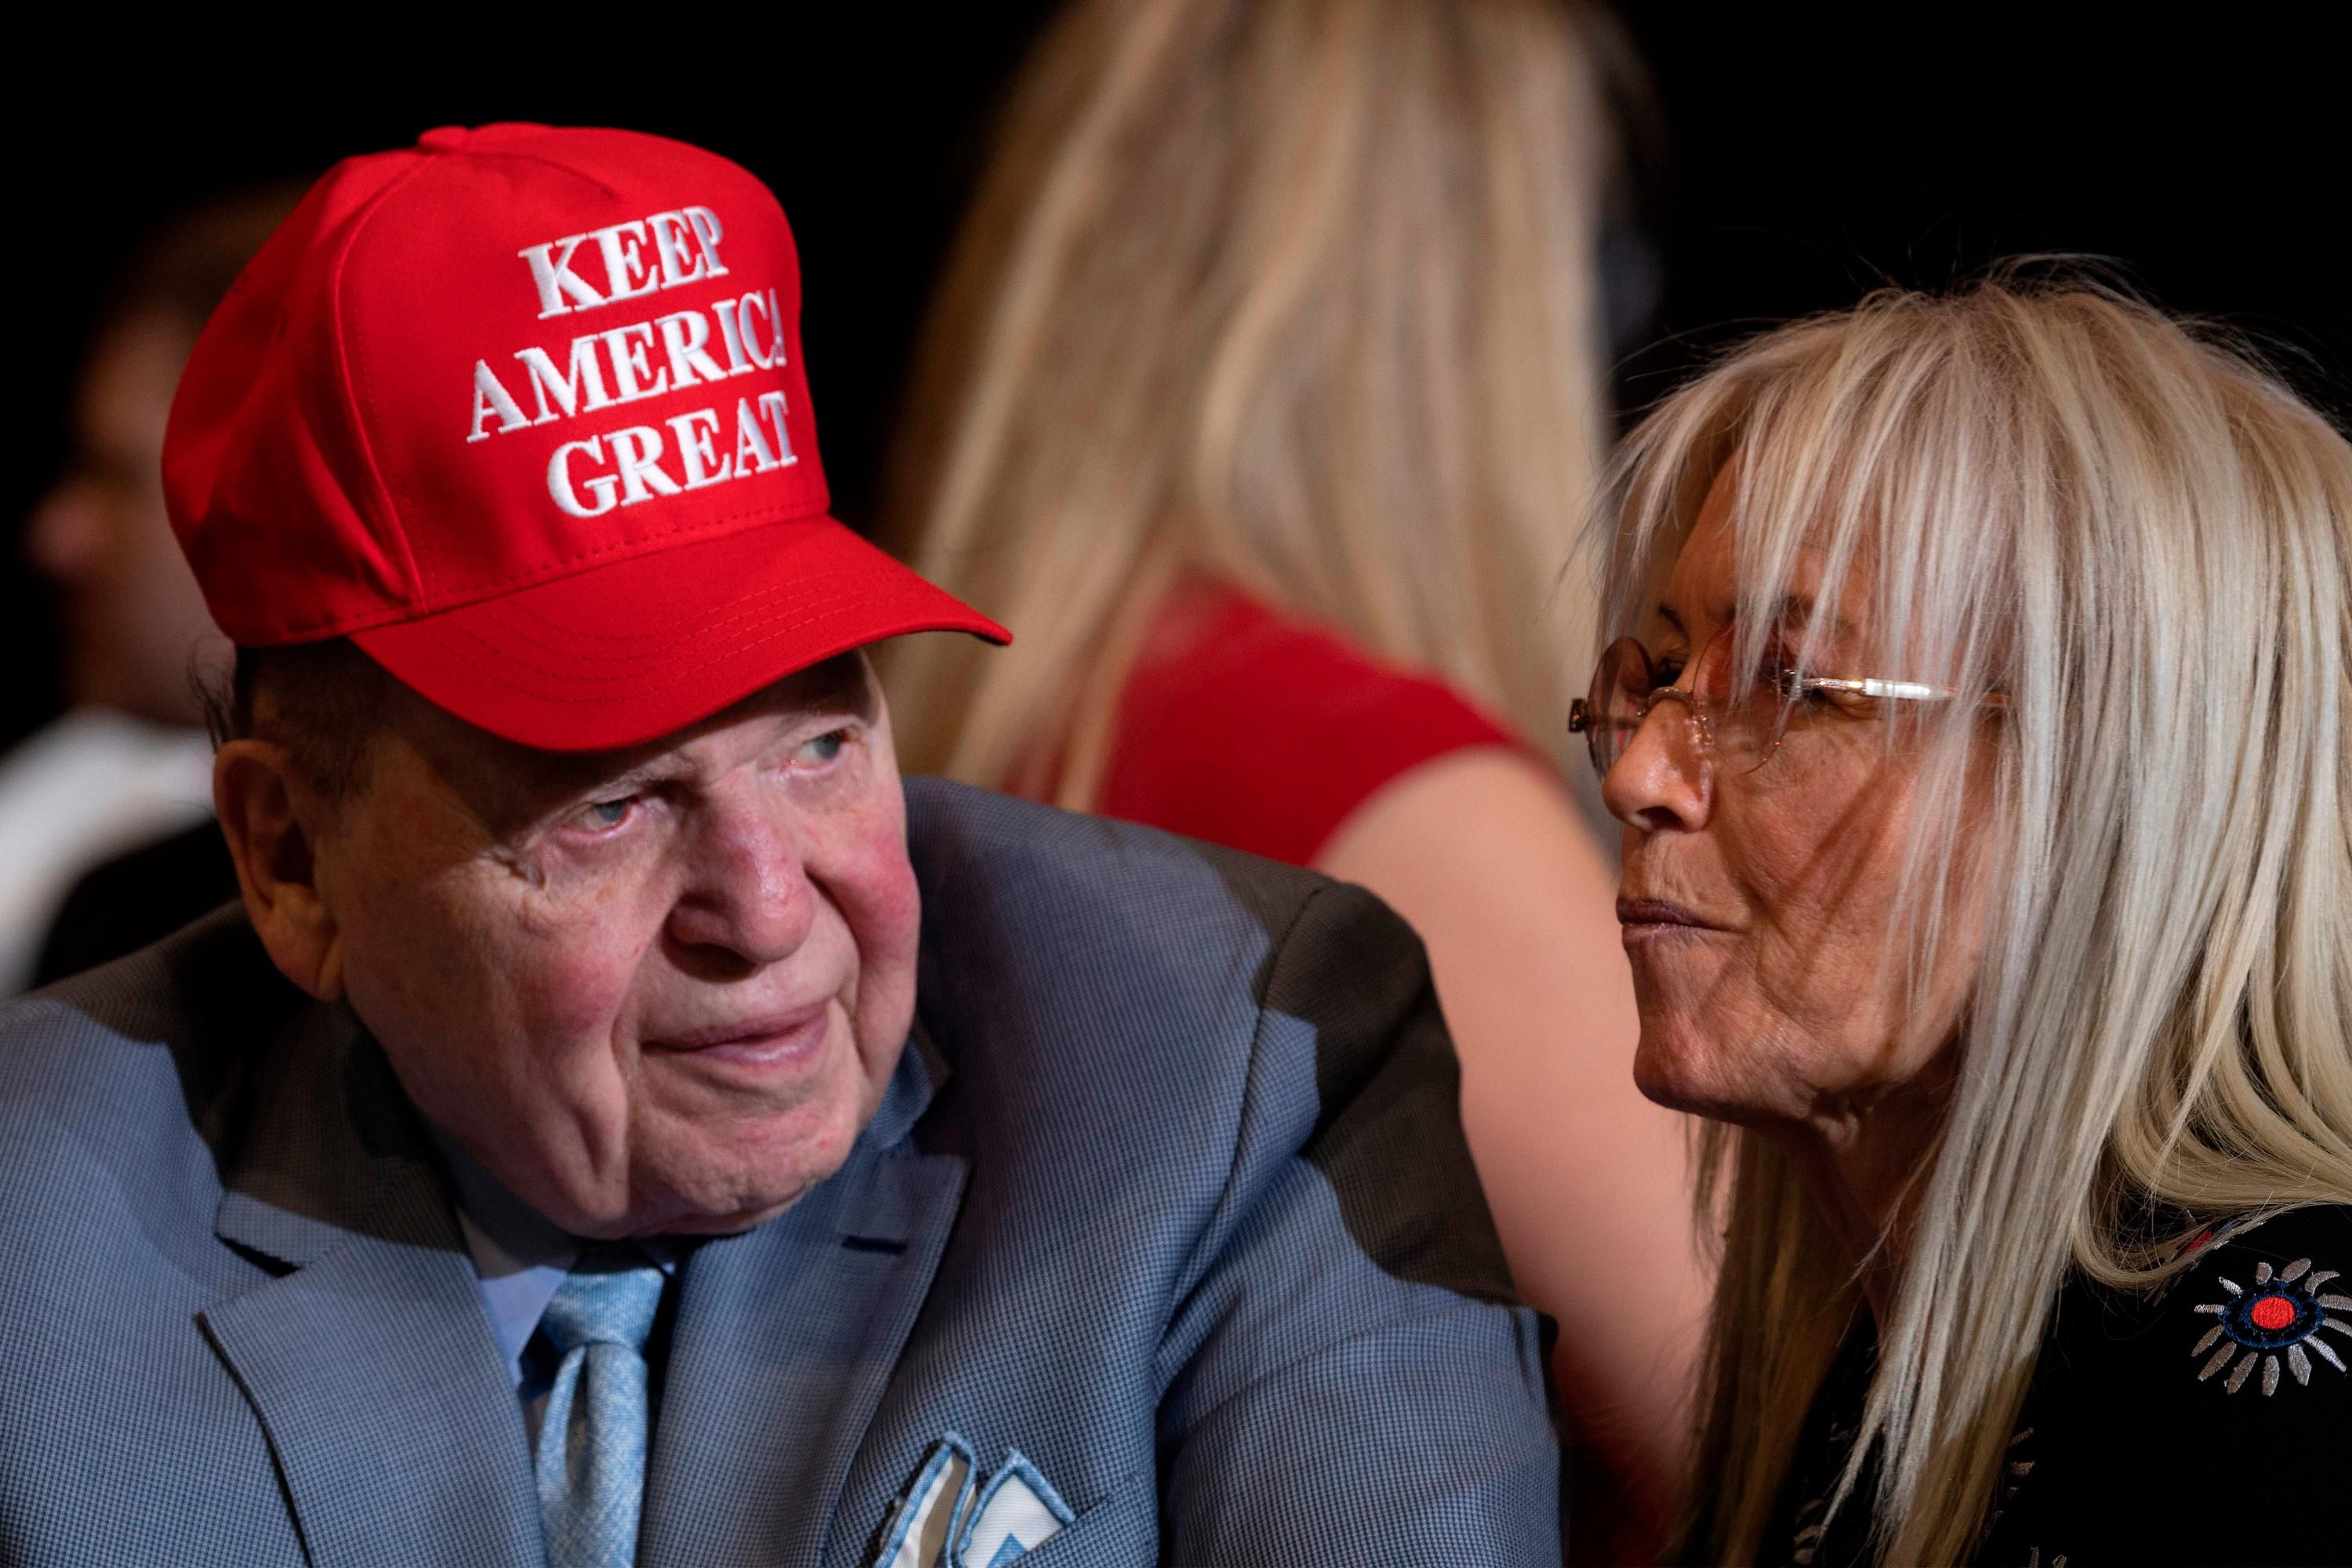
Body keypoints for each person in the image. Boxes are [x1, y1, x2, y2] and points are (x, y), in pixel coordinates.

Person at [0, 125, 1559, 1566]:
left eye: (820, 743)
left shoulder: (1232, 1061)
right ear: (288, 860)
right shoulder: (37, 1223)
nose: (764, 905)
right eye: (607, 803)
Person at [878, 0, 1704, 1541]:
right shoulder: (1396, 799)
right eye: (1594, 260)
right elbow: (1766, 1441)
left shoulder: (999, 735)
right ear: (1484, 305)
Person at [1577, 277, 2352, 1566]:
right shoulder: (1879, 1372)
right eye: (1657, 677)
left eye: (1795, 688)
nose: (1639, 774)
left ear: (2110, 782)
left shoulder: (2281, 1382)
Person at [0, 193, 294, 992]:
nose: (58, 537)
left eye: (115, 477)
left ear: (273, 495)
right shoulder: (70, 806)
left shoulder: (145, 918)